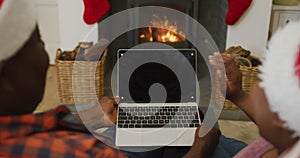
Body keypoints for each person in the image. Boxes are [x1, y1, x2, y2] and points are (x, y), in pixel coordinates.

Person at [0, 0, 230, 157]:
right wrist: (199, 150)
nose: (45, 54)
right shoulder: (88, 152)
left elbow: (40, 124)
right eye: (38, 42)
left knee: (154, 137)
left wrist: (88, 118)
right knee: (216, 141)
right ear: (5, 75)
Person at [206, 20, 300, 157]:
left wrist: (198, 150)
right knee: (216, 139)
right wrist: (238, 95)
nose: (256, 83)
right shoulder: (287, 137)